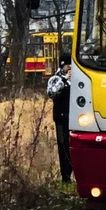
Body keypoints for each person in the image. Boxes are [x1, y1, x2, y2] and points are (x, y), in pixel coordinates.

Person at [46, 53, 73, 183]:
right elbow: (51, 93)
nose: (70, 68)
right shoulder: (55, 79)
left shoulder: (76, 79)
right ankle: (65, 177)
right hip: (61, 118)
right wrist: (63, 81)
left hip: (75, 118)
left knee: (73, 147)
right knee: (63, 147)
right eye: (68, 66)